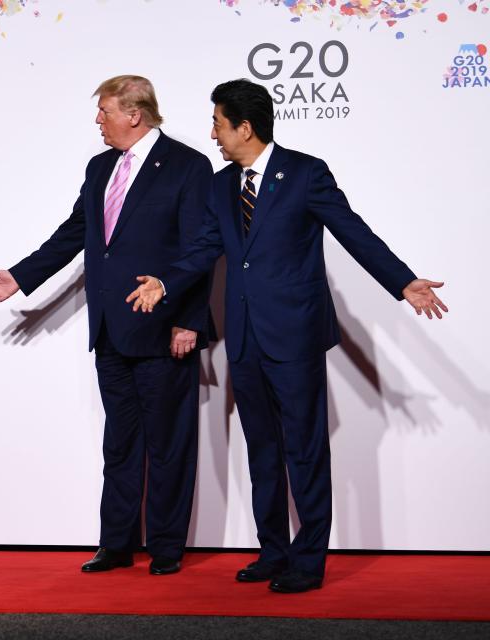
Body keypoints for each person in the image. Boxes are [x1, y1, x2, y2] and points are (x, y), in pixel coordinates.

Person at [127, 78, 447, 593]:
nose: (212, 134)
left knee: (305, 450)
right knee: (262, 451)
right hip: (247, 339)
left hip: (295, 337)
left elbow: (353, 230)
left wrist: (402, 280)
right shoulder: (220, 185)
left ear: (244, 127)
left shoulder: (304, 174)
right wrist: (165, 281)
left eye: (217, 123)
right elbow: (205, 246)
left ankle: (309, 561)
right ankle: (273, 552)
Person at [0, 76, 214, 575]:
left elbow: (202, 249)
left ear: (135, 114)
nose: (98, 121)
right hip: (110, 328)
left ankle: (167, 548)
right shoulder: (100, 166)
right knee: (120, 442)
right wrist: (21, 277)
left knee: (169, 443)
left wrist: (189, 321)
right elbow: (76, 232)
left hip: (164, 327)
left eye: (105, 111)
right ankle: (117, 543)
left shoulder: (189, 166)